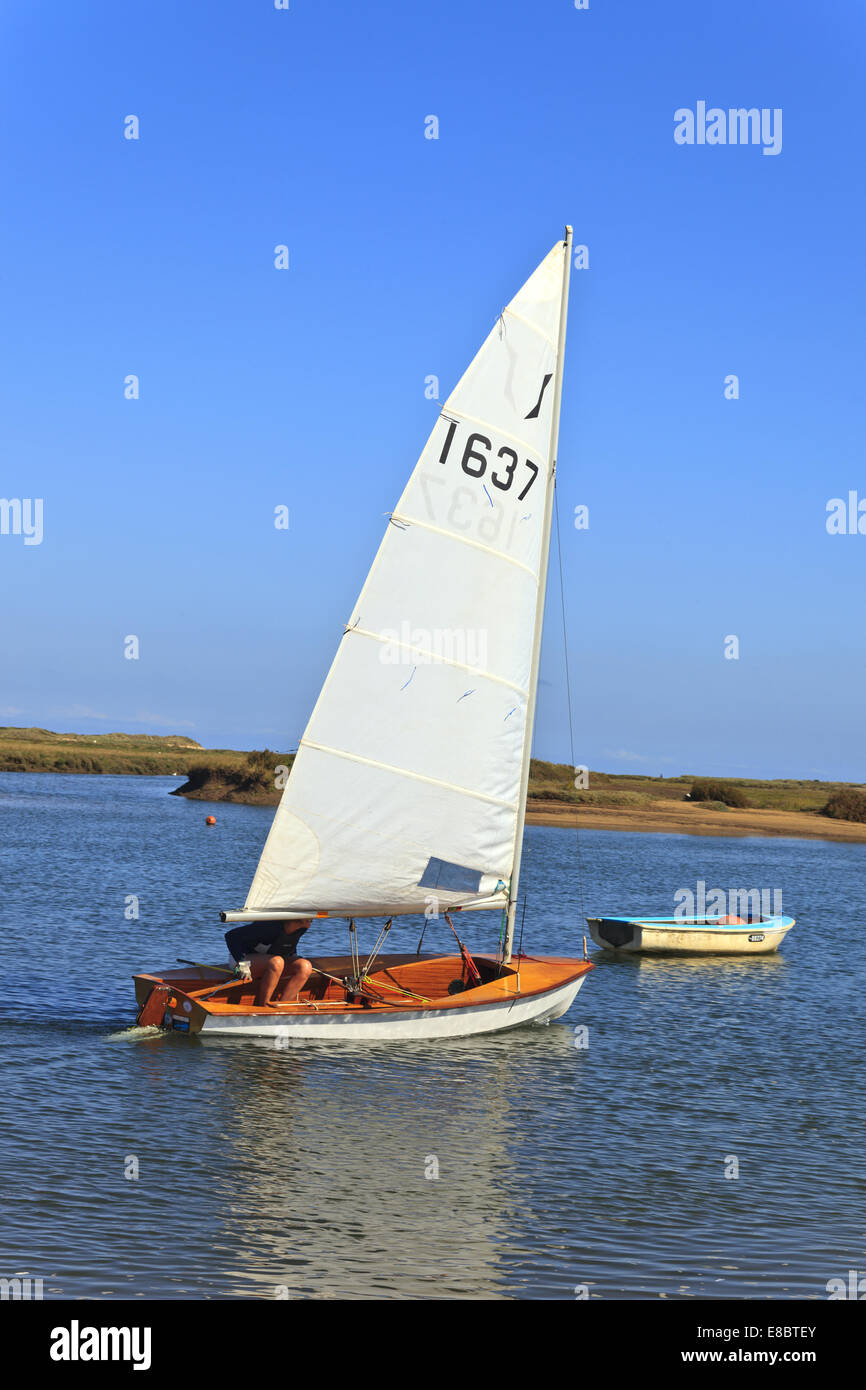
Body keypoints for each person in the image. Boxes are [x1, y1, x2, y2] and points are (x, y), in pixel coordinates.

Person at [224, 919, 313, 1007]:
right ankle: (264, 1007)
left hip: (272, 961)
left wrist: (293, 956)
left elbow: (289, 943)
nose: (309, 925)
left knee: (305, 967)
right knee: (277, 962)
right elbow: (231, 936)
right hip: (241, 960)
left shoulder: (302, 928)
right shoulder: (267, 926)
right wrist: (242, 963)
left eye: (310, 921)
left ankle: (282, 1006)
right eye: (307, 921)